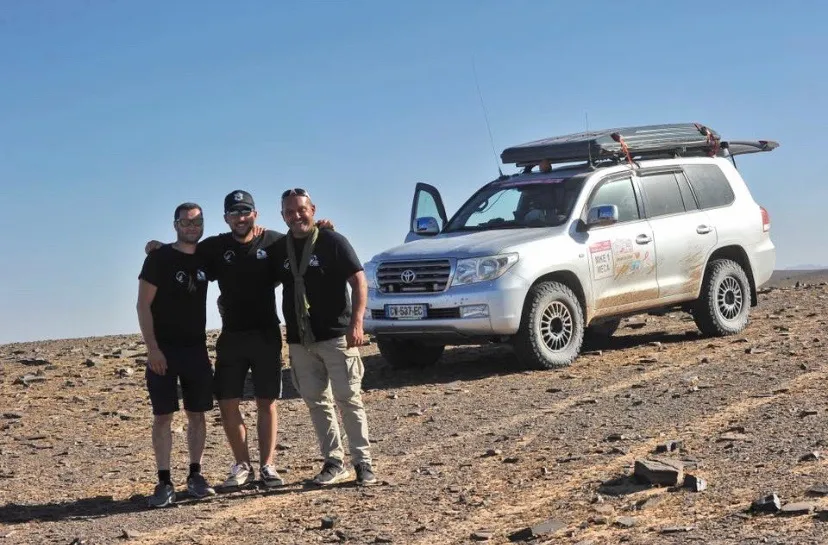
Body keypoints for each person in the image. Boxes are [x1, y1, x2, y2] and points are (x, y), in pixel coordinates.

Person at [146, 190, 286, 489]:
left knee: (266, 401)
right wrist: (157, 247)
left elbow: (303, 242)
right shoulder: (214, 247)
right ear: (225, 218)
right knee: (226, 402)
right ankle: (242, 464)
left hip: (266, 334)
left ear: (255, 214)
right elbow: (182, 250)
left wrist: (324, 229)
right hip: (231, 336)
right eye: (234, 213)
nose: (240, 217)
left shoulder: (274, 241)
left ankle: (268, 466)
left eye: (245, 211)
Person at [268, 187, 377, 486]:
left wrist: (357, 323)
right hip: (301, 341)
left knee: (349, 399)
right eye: (289, 212)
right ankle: (333, 461)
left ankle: (363, 462)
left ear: (312, 209)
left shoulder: (332, 241)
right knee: (317, 403)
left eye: (301, 209)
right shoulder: (280, 248)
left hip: (337, 336)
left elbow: (359, 281)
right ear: (282, 216)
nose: (296, 215)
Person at [136, 202, 216, 508]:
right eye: (186, 223)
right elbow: (143, 305)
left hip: (195, 349)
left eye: (197, 223)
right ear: (175, 225)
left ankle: (195, 475)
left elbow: (243, 245)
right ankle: (164, 480)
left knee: (197, 414)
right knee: (163, 416)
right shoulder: (159, 258)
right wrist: (152, 348)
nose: (192, 227)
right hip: (163, 351)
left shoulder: (208, 256)